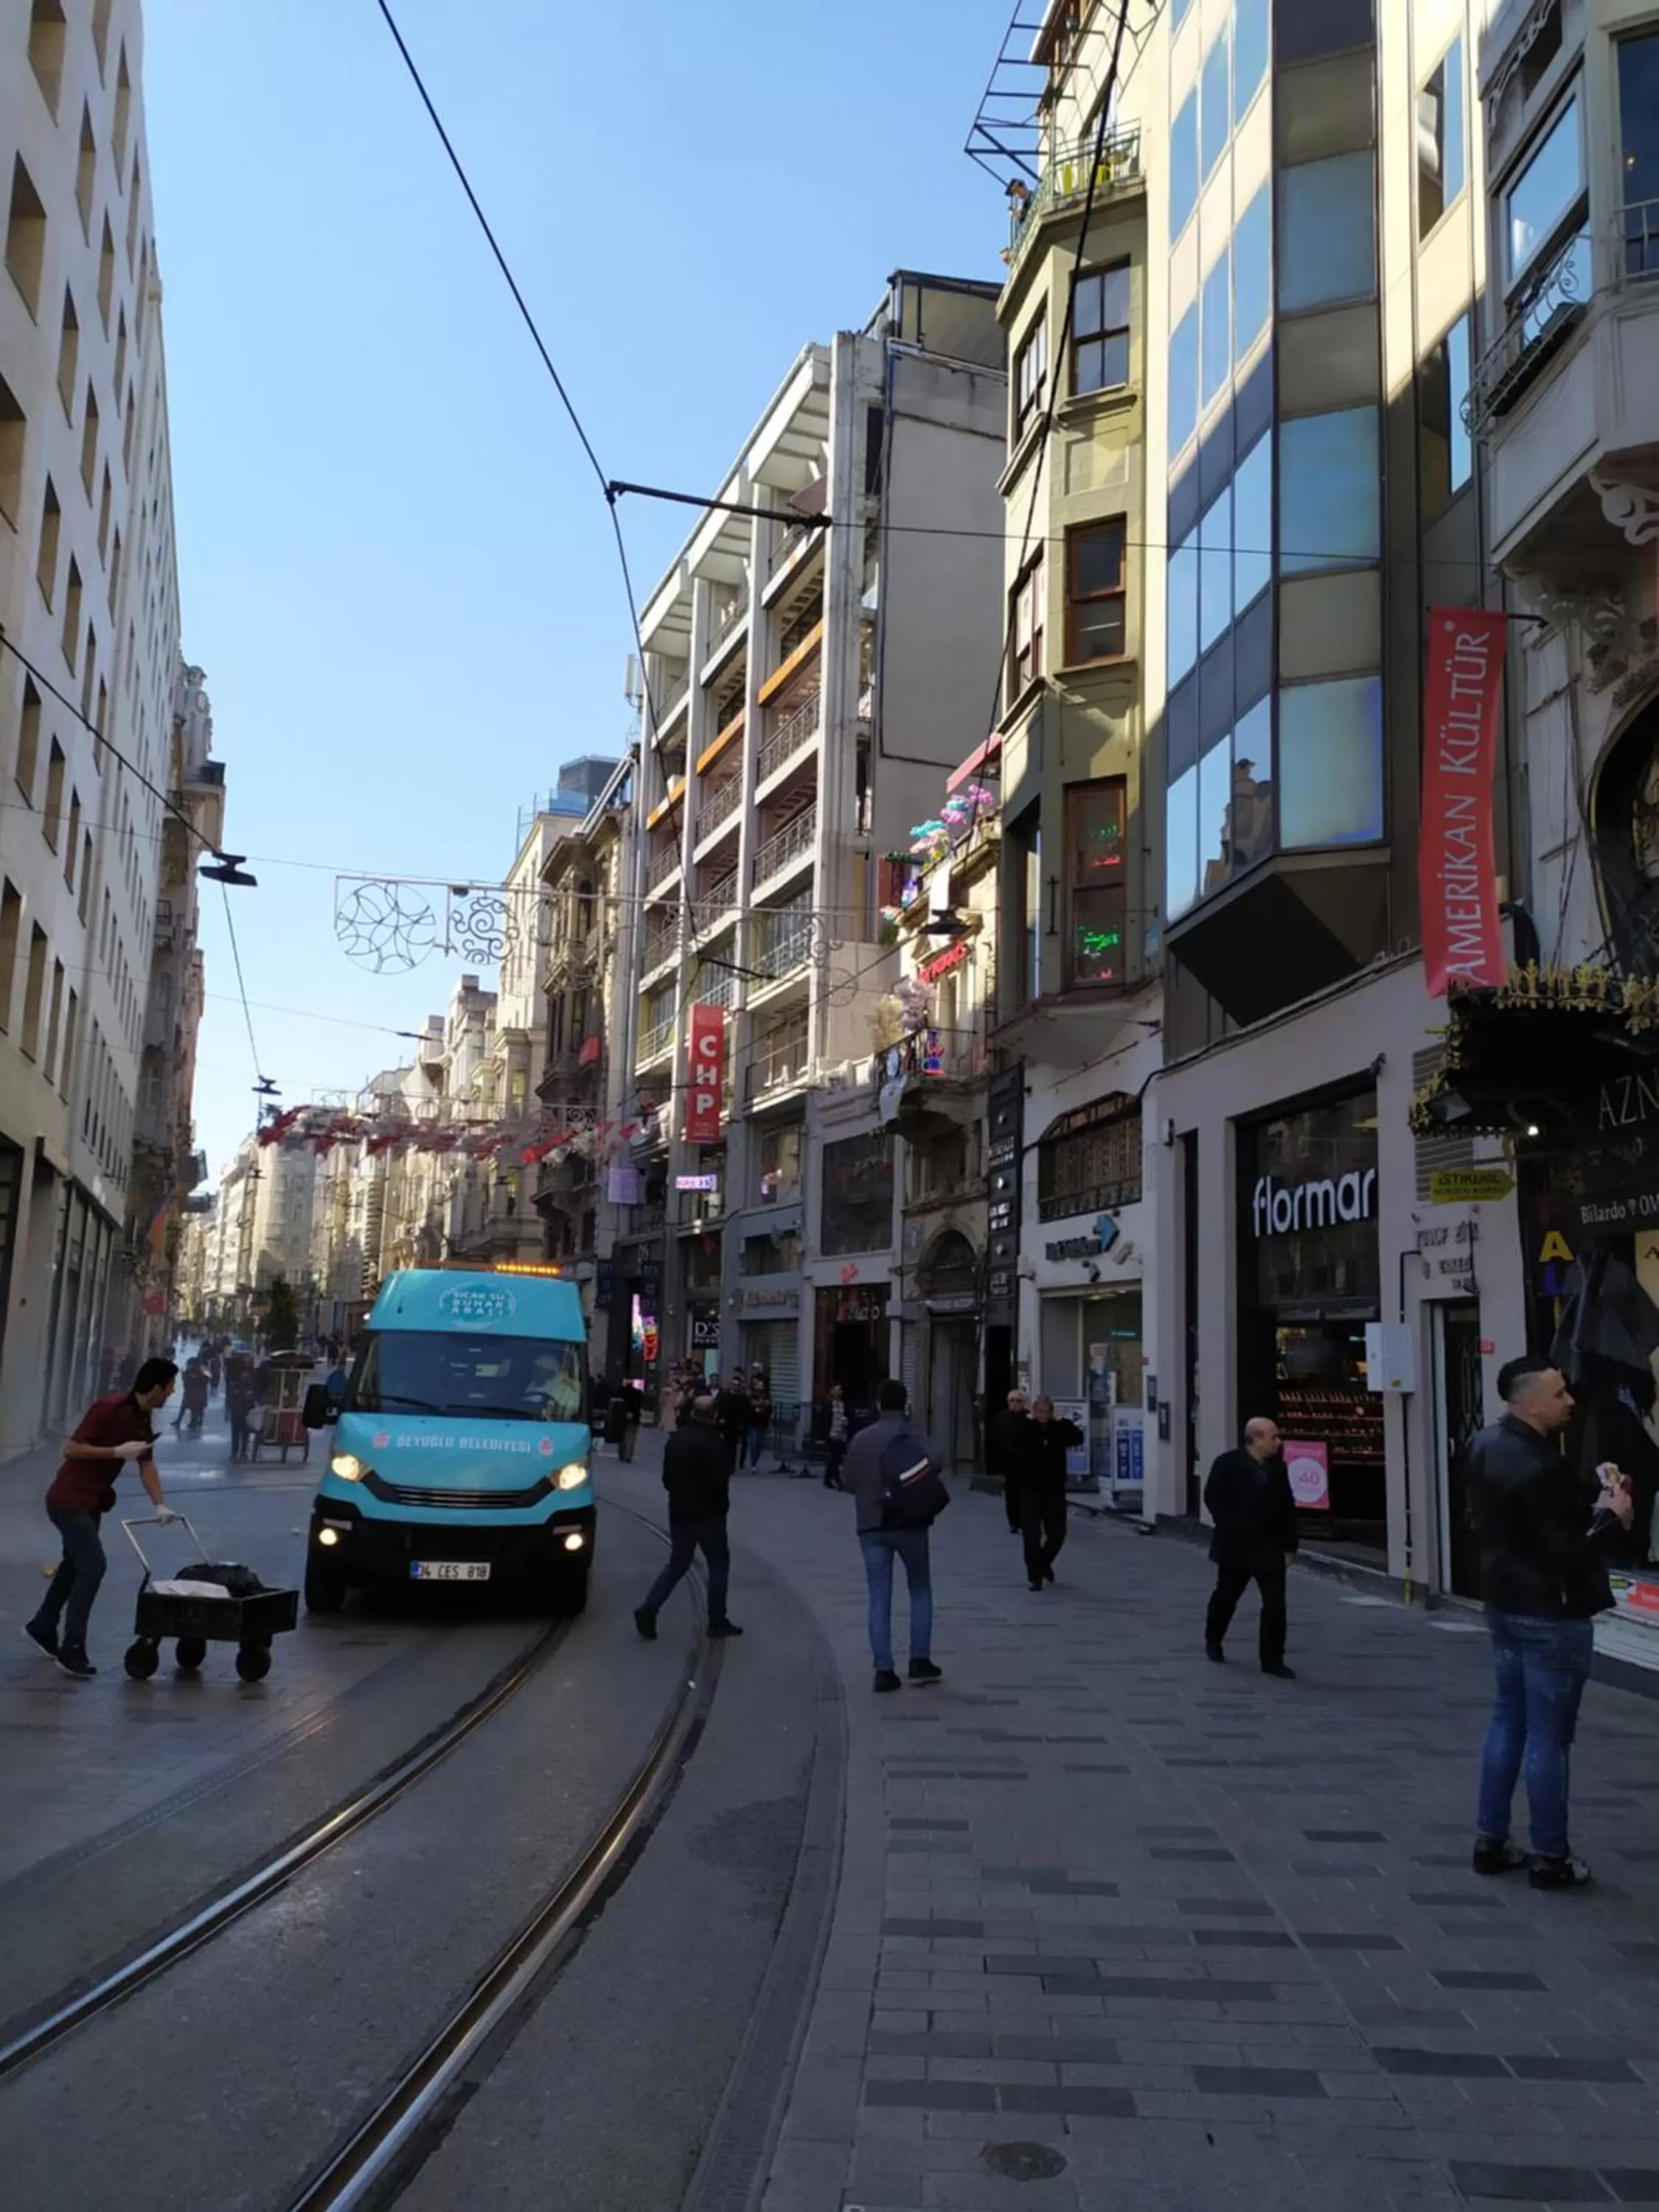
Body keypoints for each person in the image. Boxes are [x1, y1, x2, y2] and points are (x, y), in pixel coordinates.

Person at [1467, 1357, 1634, 1889]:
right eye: (1559, 1393)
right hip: (1551, 1611)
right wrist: (1612, 1516)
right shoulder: (1540, 1465)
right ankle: (1550, 1856)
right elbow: (1565, 1548)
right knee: (1548, 1737)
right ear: (1530, 1403)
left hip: (1504, 1601)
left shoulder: (1483, 1444)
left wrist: (1593, 1504)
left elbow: (1514, 1525)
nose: (1570, 1401)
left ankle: (1491, 1840)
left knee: (1507, 1721)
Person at [24, 1357, 181, 1678]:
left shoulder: (143, 1420)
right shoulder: (109, 1408)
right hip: (69, 1498)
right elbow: (72, 1449)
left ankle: (43, 1625)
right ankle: (72, 1647)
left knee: (73, 1565)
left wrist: (159, 1505)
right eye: (170, 1386)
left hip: (92, 1503)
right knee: (94, 1565)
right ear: (156, 1386)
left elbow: (146, 1464)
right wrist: (115, 1452)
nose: (172, 1392)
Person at [843, 1377, 944, 1694]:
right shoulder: (913, 1434)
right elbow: (939, 1459)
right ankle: (919, 1659)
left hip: (872, 1525)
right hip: (910, 1523)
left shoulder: (861, 1439)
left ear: (878, 1404)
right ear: (905, 1404)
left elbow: (848, 1483)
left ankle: (883, 1669)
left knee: (879, 1597)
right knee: (920, 1589)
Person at [633, 1393, 742, 1641]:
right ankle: (717, 1620)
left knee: (678, 1563)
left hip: (680, 1512)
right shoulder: (715, 1443)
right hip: (709, 1515)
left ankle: (649, 1608)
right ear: (714, 1416)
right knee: (718, 1564)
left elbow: (667, 1479)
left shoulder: (677, 1440)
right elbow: (721, 1479)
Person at [1203, 1416, 1298, 1677]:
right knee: (1226, 1596)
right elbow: (1213, 1498)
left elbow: (1287, 1507)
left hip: (1270, 1545)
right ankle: (1214, 1640)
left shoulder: (1277, 1468)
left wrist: (1290, 1546)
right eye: (1273, 1437)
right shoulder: (1227, 1464)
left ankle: (1272, 1659)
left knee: (1275, 1604)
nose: (1278, 1442)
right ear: (1256, 1440)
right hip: (1237, 1545)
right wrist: (1230, 1525)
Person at [1018, 1396, 1083, 1591]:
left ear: (1052, 1412)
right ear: (1034, 1411)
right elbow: (1010, 1442)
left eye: (1047, 1412)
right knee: (1032, 1536)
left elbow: (1077, 1438)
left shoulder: (1059, 1429)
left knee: (1057, 1534)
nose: (1043, 1416)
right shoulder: (1026, 1428)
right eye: (1040, 1412)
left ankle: (1043, 1563)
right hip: (1030, 1489)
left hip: (1054, 1490)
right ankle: (1035, 1577)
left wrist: (1064, 1422)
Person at [989, 1388, 1032, 1537]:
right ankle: (1013, 1522)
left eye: (1018, 1401)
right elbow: (994, 1438)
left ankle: (1025, 1520)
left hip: (1026, 1462)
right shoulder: (1001, 1418)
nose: (1015, 1404)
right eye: (1012, 1401)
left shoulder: (1028, 1418)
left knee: (1026, 1493)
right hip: (1009, 1462)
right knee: (1012, 1493)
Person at [225, 1357, 257, 1464]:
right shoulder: (235, 1385)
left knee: (245, 1434)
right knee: (235, 1434)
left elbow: (253, 1399)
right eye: (244, 1373)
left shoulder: (251, 1386)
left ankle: (243, 1453)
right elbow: (230, 1399)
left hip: (246, 1413)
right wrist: (228, 1411)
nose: (245, 1375)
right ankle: (234, 1453)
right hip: (236, 1413)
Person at [717, 1372, 750, 1477]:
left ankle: (732, 1466)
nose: (734, 1387)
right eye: (733, 1384)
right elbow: (719, 1408)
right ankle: (724, 1464)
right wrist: (720, 1419)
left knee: (733, 1447)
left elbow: (745, 1412)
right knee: (724, 1446)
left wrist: (742, 1424)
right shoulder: (724, 1396)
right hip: (725, 1424)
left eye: (737, 1385)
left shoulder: (743, 1398)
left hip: (736, 1425)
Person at [172, 1353, 209, 1436]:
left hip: (196, 1394)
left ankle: (194, 1421)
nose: (187, 1366)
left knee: (195, 1408)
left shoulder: (199, 1372)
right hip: (191, 1393)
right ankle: (182, 1421)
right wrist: (184, 1376)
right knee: (187, 1407)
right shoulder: (190, 1372)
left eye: (189, 1365)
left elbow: (204, 1381)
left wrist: (189, 1377)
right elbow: (186, 1382)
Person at [824, 1383, 849, 1490]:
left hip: (841, 1434)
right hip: (832, 1434)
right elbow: (825, 1420)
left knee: (837, 1458)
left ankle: (828, 1479)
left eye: (840, 1390)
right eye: (837, 1390)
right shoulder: (829, 1405)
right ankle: (837, 1480)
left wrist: (846, 1423)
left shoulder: (844, 1405)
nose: (839, 1392)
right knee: (833, 1457)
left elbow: (848, 1417)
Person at [747, 1369, 773, 1470]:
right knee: (754, 1443)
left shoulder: (767, 1396)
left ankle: (755, 1462)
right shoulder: (752, 1396)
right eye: (758, 1385)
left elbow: (769, 1409)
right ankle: (753, 1464)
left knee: (759, 1445)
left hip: (763, 1423)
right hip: (753, 1423)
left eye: (761, 1385)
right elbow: (750, 1405)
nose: (760, 1387)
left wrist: (770, 1424)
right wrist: (761, 1404)